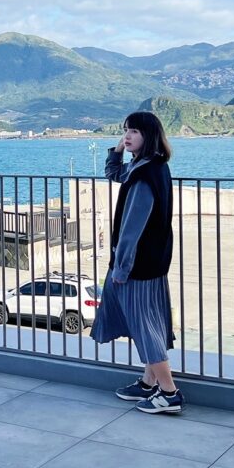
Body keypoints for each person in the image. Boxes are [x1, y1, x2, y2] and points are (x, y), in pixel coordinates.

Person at [90, 111, 184, 414]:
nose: (127, 136)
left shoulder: (145, 175)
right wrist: (116, 152)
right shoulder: (148, 166)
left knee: (146, 328)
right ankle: (148, 383)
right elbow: (116, 174)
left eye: (133, 132)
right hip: (152, 264)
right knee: (148, 323)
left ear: (150, 135)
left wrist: (122, 267)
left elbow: (132, 229)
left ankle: (169, 392)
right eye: (125, 130)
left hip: (138, 267)